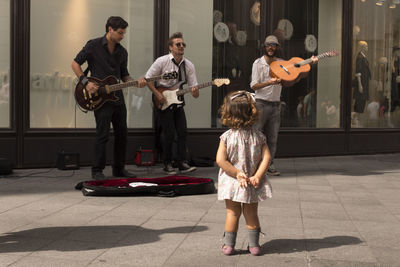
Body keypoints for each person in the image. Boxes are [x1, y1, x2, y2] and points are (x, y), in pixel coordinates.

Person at [71, 16, 146, 180]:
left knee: (122, 134)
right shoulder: (93, 45)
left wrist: (136, 83)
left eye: (124, 33)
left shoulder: (122, 52)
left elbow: (124, 76)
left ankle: (119, 169)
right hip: (99, 98)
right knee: (102, 134)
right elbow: (75, 64)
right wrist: (85, 83)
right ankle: (97, 171)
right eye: (120, 33)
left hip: (117, 98)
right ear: (110, 29)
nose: (122, 36)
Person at [250, 35, 318, 176]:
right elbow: (254, 86)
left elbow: (292, 78)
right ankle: (253, 165)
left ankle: (269, 165)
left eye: (273, 45)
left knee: (272, 137)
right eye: (268, 45)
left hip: (276, 104)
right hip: (260, 103)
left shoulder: (282, 63)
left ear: (277, 47)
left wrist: (308, 65)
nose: (270, 48)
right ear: (264, 47)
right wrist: (270, 82)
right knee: (256, 136)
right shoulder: (258, 63)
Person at [216, 90, 272, 256]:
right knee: (251, 212)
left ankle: (229, 245)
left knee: (232, 212)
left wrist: (237, 173)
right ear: (253, 113)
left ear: (228, 113)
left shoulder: (226, 137)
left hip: (232, 181)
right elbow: (266, 158)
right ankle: (254, 246)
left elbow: (221, 160)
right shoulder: (260, 137)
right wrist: (257, 176)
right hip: (252, 182)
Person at [145, 32, 199, 175]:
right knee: (169, 133)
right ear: (171, 47)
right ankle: (167, 163)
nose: (181, 46)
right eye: (178, 44)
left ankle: (181, 162)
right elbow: (147, 79)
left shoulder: (188, 65)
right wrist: (157, 94)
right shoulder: (162, 61)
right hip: (162, 99)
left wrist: (195, 91)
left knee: (182, 132)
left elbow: (194, 91)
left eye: (183, 44)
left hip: (178, 100)